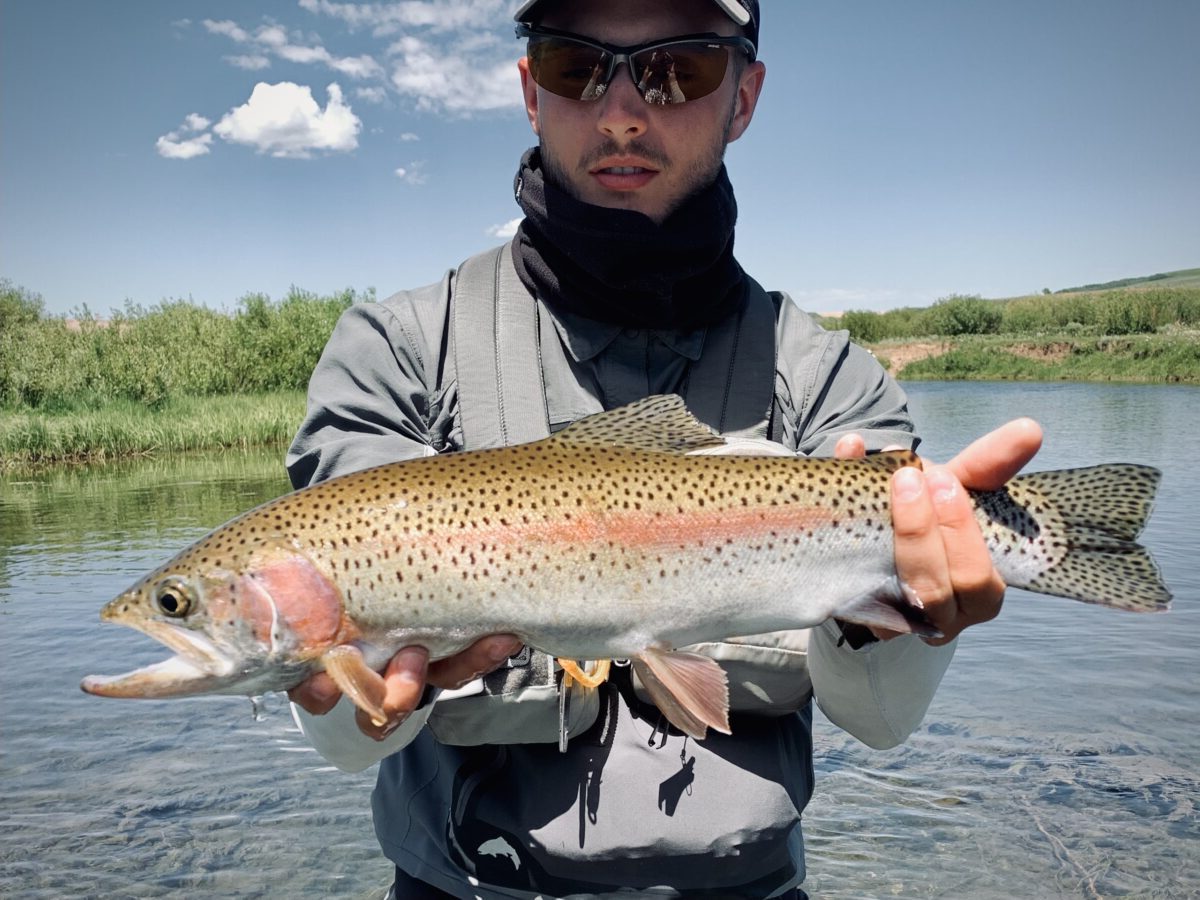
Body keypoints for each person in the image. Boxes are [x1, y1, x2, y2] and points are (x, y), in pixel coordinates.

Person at [286, 1, 1042, 896]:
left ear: (746, 97)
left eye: (679, 68)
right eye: (577, 66)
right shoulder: (399, 353)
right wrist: (336, 677)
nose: (621, 112)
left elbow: (877, 721)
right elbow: (342, 740)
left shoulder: (833, 380)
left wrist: (920, 612)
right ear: (532, 91)